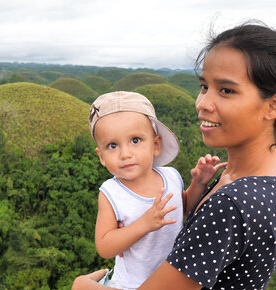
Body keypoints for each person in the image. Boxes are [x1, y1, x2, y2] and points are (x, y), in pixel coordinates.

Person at [73, 21, 276, 289]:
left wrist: (82, 286)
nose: (202, 103)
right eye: (203, 87)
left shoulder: (231, 204)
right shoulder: (263, 172)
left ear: (273, 105)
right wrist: (197, 186)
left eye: (226, 90)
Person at [89, 91, 226, 289]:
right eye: (112, 145)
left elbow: (185, 208)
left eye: (135, 140)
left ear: (156, 144)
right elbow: (104, 247)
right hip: (131, 285)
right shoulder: (111, 193)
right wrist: (144, 224)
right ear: (101, 156)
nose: (125, 154)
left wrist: (199, 183)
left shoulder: (170, 176)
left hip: (172, 280)